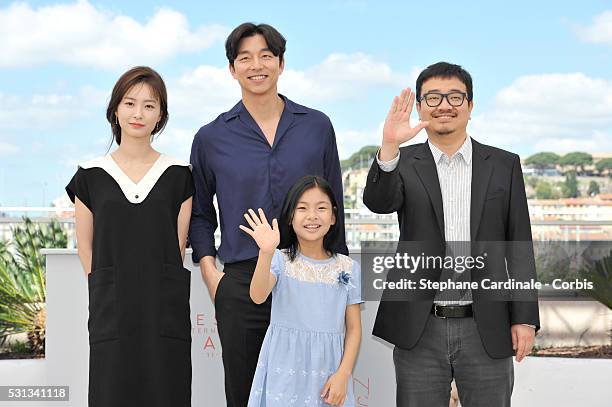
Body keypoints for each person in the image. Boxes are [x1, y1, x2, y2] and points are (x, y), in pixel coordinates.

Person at [363, 62, 540, 407]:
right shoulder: (402, 160)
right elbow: (379, 203)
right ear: (419, 107)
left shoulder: (504, 164)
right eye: (433, 97)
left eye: (455, 96)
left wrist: (524, 318)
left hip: (486, 325)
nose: (444, 105)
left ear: (470, 107)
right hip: (420, 326)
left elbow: (519, 246)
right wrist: (388, 146)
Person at [189, 23, 347, 406]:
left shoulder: (316, 126)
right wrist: (212, 275)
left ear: (280, 64)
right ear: (232, 69)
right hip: (242, 285)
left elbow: (335, 204)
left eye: (265, 56)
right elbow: (199, 214)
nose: (256, 65)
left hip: (310, 276)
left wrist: (338, 281)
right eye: (245, 58)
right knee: (244, 394)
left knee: (311, 394)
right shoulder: (211, 137)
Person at [66, 66, 194, 407]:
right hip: (112, 308)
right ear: (115, 110)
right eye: (130, 103)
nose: (139, 113)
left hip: (162, 307)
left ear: (161, 116)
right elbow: (86, 247)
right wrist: (103, 289)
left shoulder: (179, 174)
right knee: (111, 391)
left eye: (150, 106)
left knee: (166, 388)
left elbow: (178, 247)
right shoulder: (90, 175)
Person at [239, 175, 362, 407]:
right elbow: (258, 295)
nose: (312, 216)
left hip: (329, 372)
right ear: (291, 216)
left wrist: (343, 375)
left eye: (321, 208)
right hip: (284, 372)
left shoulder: (348, 267)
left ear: (334, 216)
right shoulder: (279, 260)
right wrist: (266, 252)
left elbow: (354, 329)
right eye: (302, 208)